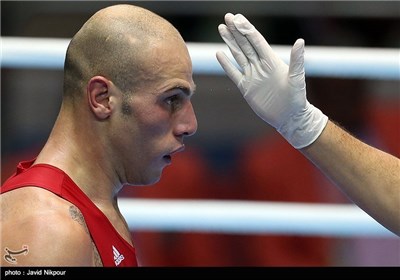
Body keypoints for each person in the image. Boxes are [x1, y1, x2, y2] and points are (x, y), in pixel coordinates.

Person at [1, 4, 197, 267]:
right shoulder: (48, 230)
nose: (190, 124)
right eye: (171, 99)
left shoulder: (93, 207)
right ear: (102, 98)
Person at [216, 13, 400, 236]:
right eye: (332, 88)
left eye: (349, 87)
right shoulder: (269, 164)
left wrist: (301, 123)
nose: (342, 97)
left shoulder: (394, 126)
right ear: (314, 89)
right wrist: (298, 121)